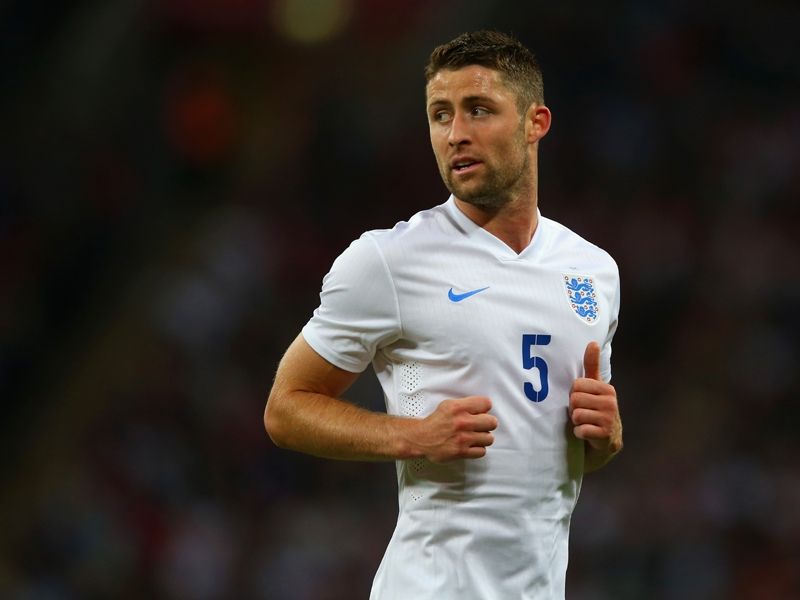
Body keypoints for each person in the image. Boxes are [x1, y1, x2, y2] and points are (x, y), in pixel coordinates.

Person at [265, 30, 623, 600]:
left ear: (536, 123)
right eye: (440, 114)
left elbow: (563, 450)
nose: (455, 134)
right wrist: (412, 435)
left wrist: (605, 437)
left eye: (479, 110)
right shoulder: (388, 260)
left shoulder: (593, 270)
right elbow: (285, 410)